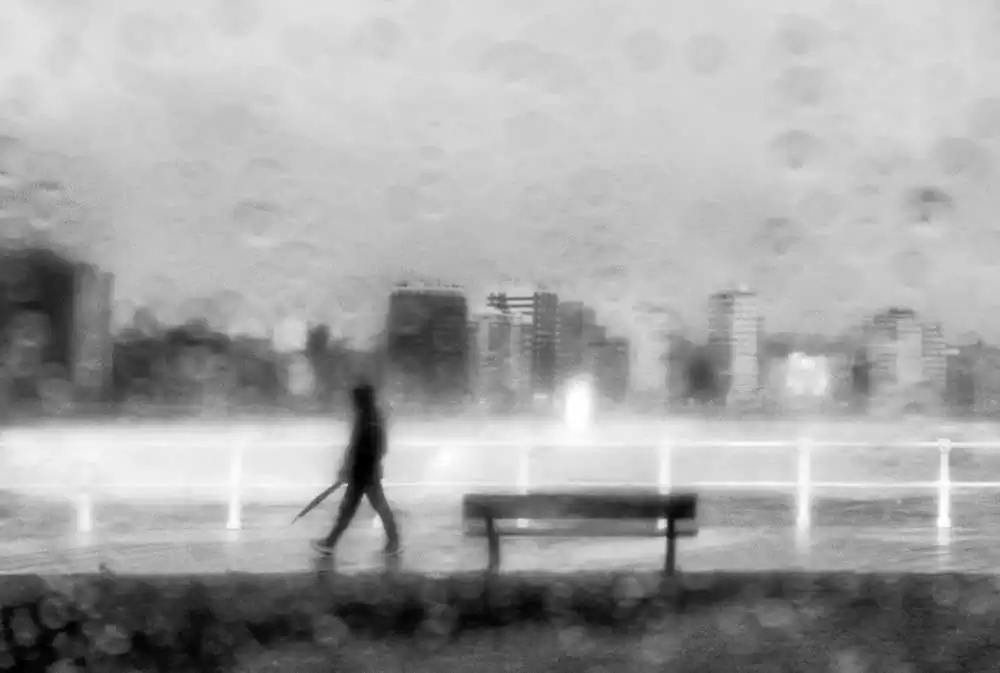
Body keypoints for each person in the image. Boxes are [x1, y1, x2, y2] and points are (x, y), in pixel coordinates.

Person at [311, 382, 401, 558]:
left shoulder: (369, 419)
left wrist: (352, 468)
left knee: (352, 509)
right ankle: (393, 541)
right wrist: (348, 467)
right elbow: (361, 448)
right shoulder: (368, 417)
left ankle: (330, 543)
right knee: (367, 507)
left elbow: (368, 449)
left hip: (363, 474)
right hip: (364, 473)